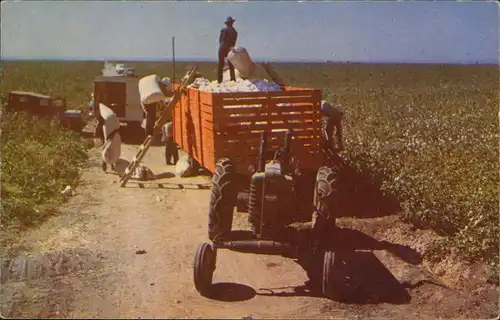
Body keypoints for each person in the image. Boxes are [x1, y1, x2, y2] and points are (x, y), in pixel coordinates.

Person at [218, 16, 238, 83]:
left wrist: (223, 45)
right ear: (232, 23)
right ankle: (233, 79)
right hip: (229, 49)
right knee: (231, 64)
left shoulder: (223, 30)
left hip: (222, 48)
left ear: (227, 23)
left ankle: (219, 81)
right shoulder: (235, 32)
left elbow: (220, 40)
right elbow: (234, 43)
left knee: (221, 64)